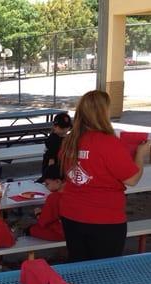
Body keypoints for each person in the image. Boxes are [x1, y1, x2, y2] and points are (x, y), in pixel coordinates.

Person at [58, 90, 150, 261]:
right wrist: (140, 154)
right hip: (104, 219)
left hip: (71, 215)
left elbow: (83, 169)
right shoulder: (108, 142)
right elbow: (132, 179)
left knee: (79, 267)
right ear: (103, 112)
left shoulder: (69, 141)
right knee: (103, 274)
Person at [26, 165, 65, 242]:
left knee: (31, 229)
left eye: (47, 184)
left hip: (62, 234)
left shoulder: (54, 197)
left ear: (58, 181)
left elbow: (43, 222)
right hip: (80, 230)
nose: (46, 187)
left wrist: (38, 214)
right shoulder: (76, 191)